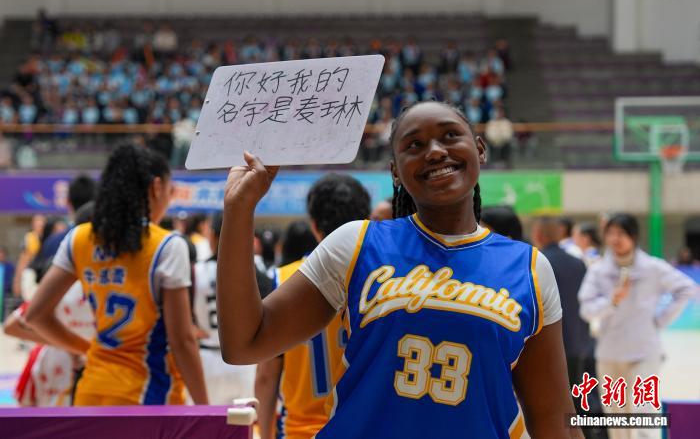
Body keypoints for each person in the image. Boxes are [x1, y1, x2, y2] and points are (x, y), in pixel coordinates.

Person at [216, 101, 580, 438]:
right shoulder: (356, 244)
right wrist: (239, 208)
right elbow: (244, 343)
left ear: (480, 149)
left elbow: (553, 418)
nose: (435, 151)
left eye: (450, 135)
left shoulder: (531, 269)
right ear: (395, 170)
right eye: (414, 145)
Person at [24, 143, 208, 406]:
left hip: (91, 390)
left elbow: (35, 315)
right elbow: (182, 341)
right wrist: (205, 408)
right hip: (147, 395)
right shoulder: (168, 246)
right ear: (156, 187)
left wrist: (87, 348)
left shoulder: (78, 238)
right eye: (170, 191)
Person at [256, 174, 371, 439]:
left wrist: (265, 433)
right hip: (362, 429)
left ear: (315, 225)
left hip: (300, 431)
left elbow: (266, 376)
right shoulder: (383, 281)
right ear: (367, 221)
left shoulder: (283, 279)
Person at [578, 213, 695, 439]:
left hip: (644, 353)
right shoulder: (598, 271)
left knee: (644, 415)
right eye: (610, 233)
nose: (615, 239)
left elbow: (686, 289)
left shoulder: (653, 268)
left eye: (621, 233)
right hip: (610, 355)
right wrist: (612, 301)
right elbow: (586, 310)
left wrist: (659, 321)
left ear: (634, 236)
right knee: (617, 419)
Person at [4, 202, 96, 407]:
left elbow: (14, 324)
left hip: (63, 363)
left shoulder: (62, 285)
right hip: (86, 366)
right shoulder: (106, 284)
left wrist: (63, 343)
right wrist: (84, 349)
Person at [531, 217, 606, 439]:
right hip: (577, 344)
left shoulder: (537, 262)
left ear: (539, 235)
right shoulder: (577, 262)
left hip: (547, 346)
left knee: (548, 402)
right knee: (577, 398)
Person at [194, 213, 272, 405]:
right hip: (244, 362)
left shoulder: (195, 271)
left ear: (212, 236)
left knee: (207, 420)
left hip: (206, 359)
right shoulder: (254, 272)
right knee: (244, 421)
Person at [12, 214, 46, 297]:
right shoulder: (30, 237)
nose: (40, 224)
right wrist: (17, 281)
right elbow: (23, 260)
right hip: (31, 272)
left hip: (44, 274)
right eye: (37, 222)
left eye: (42, 222)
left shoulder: (49, 237)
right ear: (33, 224)